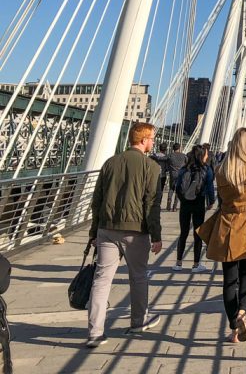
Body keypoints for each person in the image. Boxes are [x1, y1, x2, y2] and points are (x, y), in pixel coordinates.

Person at [86, 121, 162, 348]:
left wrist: (93, 231)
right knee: (138, 276)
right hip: (135, 230)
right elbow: (151, 205)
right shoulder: (151, 167)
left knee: (101, 280)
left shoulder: (110, 163)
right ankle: (138, 321)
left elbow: (96, 201)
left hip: (107, 229)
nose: (153, 142)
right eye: (151, 138)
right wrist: (156, 235)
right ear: (143, 140)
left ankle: (95, 332)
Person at [197, 128, 246, 344]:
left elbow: (222, 197)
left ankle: (233, 326)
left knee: (229, 281)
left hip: (227, 226)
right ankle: (242, 313)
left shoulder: (222, 170)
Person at [173, 146, 215, 272]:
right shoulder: (206, 169)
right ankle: (196, 264)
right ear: (202, 156)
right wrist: (211, 201)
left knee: (183, 232)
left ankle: (178, 263)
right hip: (199, 202)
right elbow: (210, 187)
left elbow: (177, 186)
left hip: (185, 204)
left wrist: (183, 199)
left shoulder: (183, 169)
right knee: (198, 233)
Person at [165, 143, 188, 211]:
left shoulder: (170, 155)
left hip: (172, 173)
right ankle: (174, 207)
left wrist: (170, 169)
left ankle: (169, 201)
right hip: (180, 174)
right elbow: (187, 164)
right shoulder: (184, 156)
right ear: (179, 148)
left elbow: (167, 163)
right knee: (178, 190)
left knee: (171, 188)